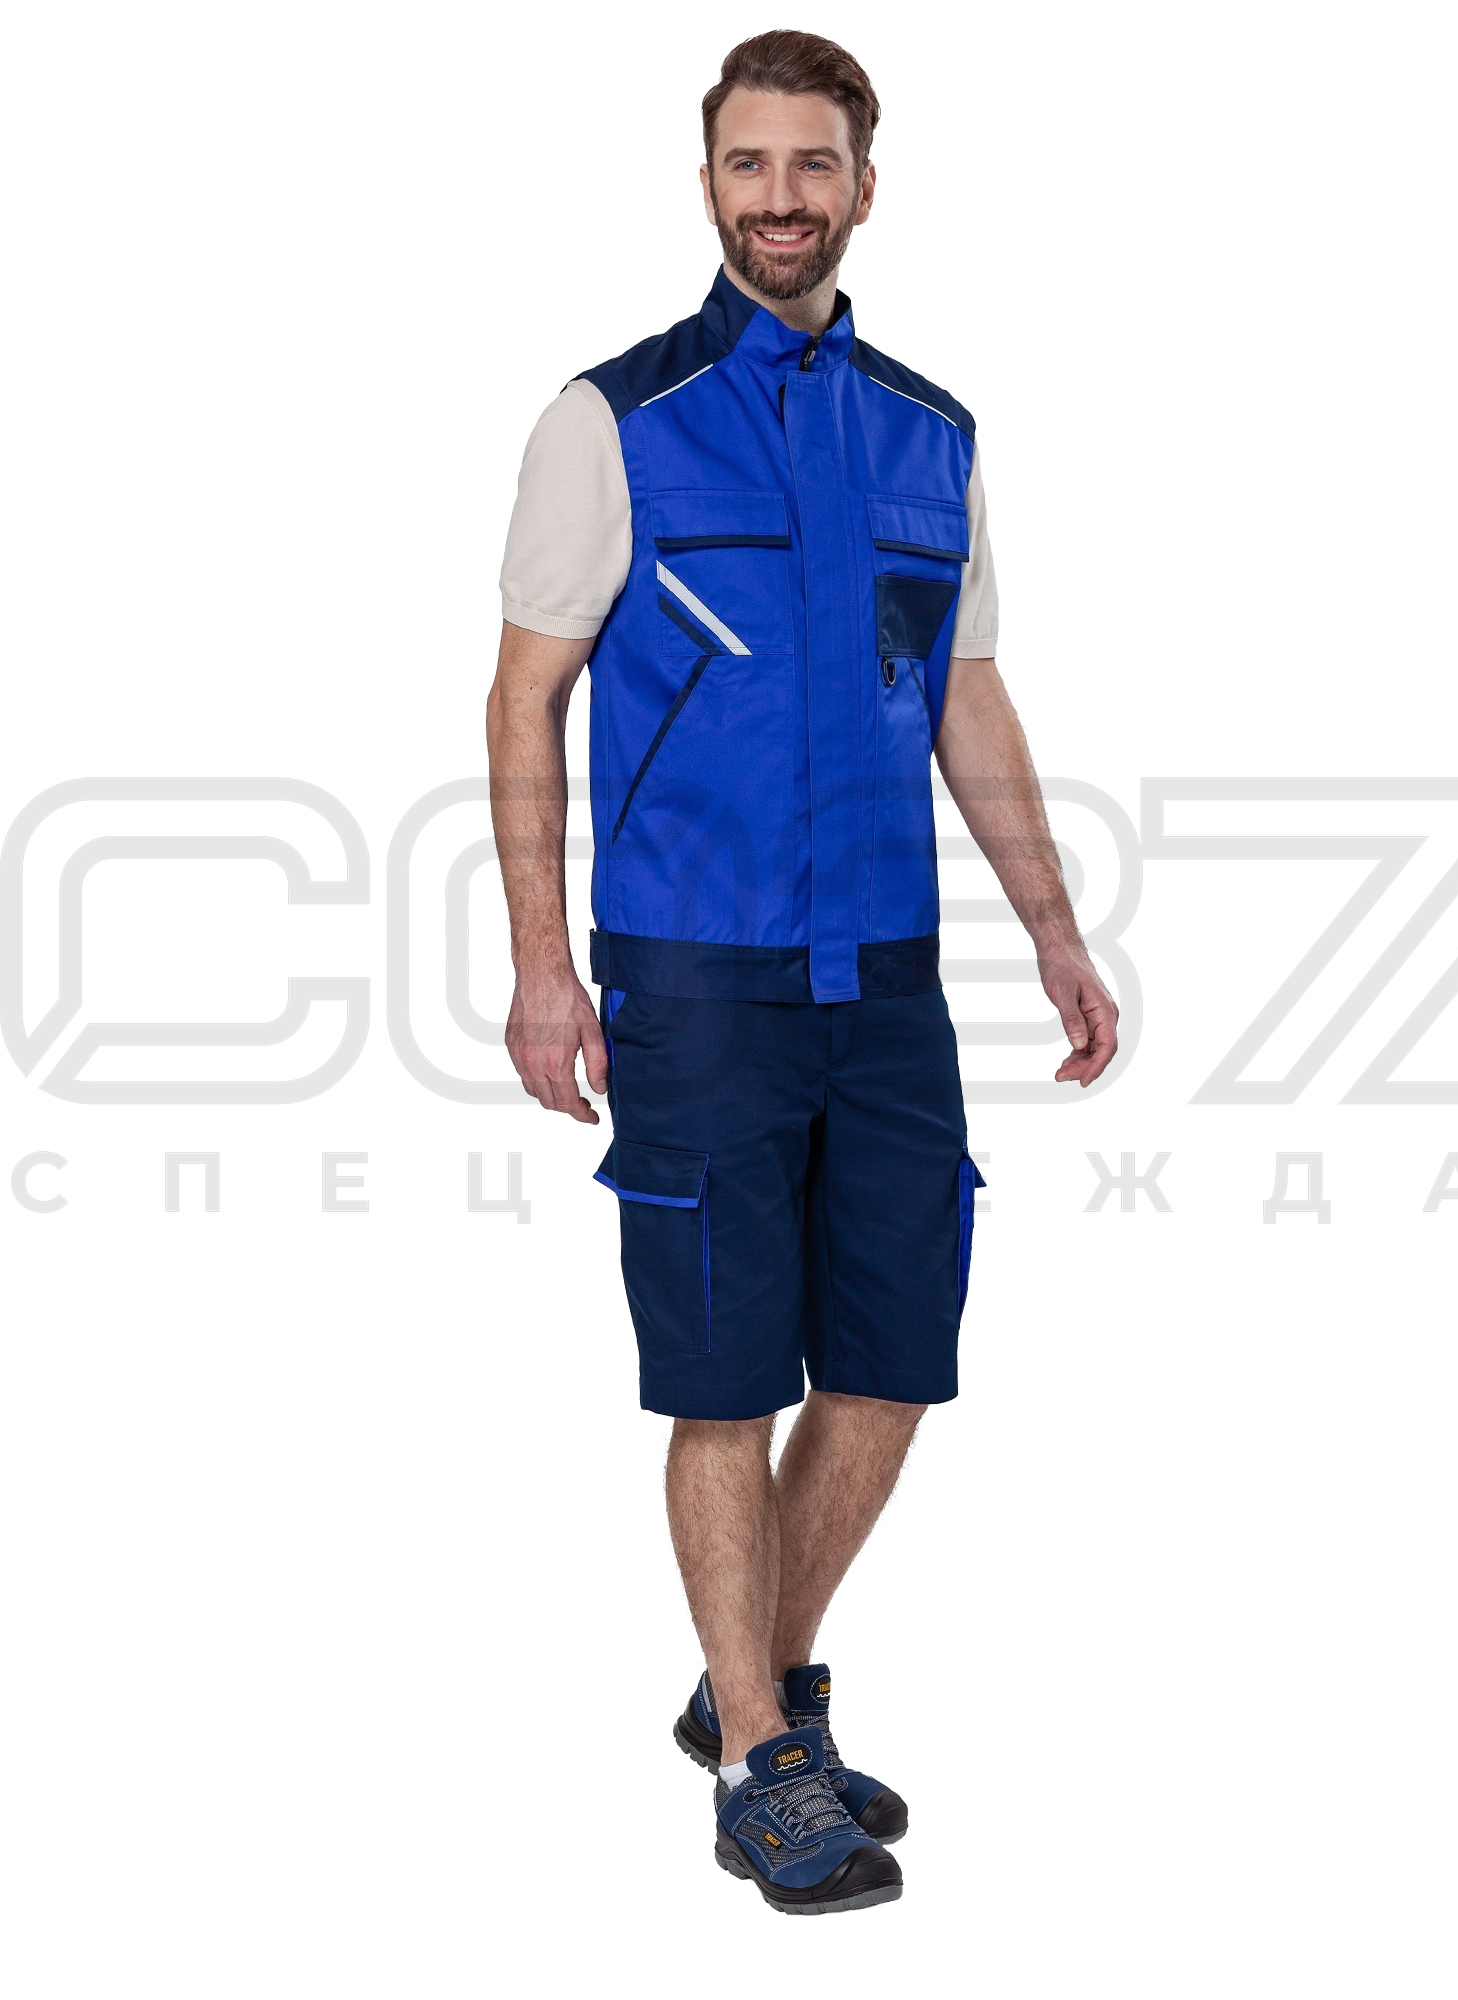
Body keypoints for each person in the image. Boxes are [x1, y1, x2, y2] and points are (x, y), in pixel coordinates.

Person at [488, 29, 1119, 1915]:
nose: (781, 197)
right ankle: (767, 1754)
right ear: (707, 184)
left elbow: (969, 700)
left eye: (813, 164)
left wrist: (1055, 929)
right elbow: (523, 697)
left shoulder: (935, 436)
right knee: (722, 1380)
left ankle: (744, 1686)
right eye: (749, 164)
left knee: (893, 1367)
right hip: (696, 980)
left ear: (864, 186)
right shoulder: (614, 421)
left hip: (889, 985)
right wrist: (540, 966)